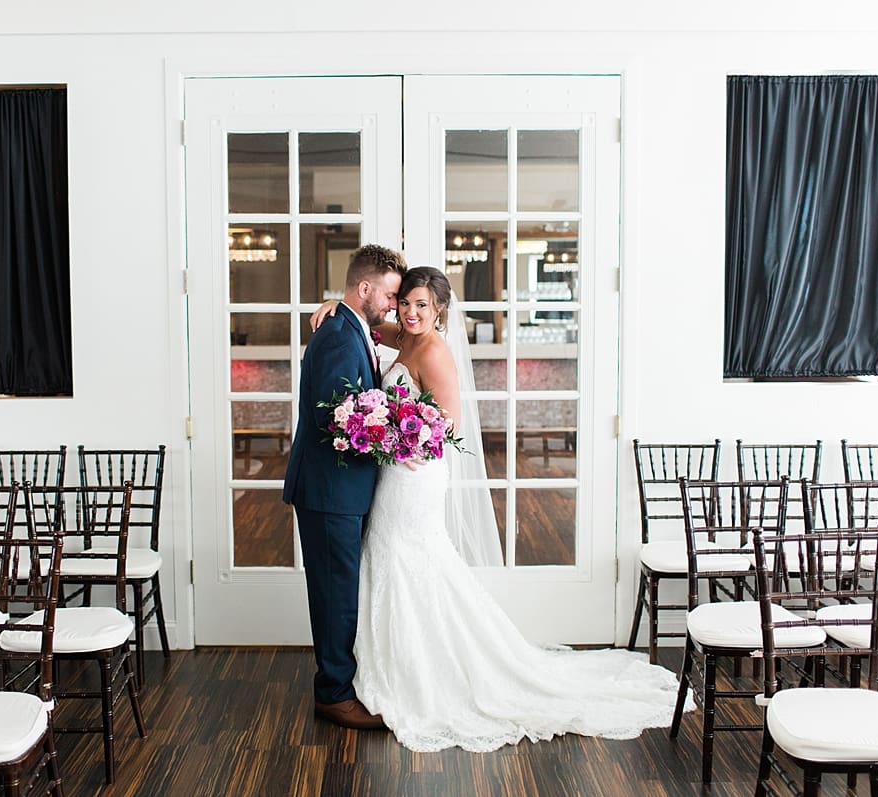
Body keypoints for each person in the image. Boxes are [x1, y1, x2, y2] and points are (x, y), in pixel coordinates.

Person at [310, 266, 690, 752]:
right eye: (404, 302)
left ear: (440, 310)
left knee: (414, 562)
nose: (409, 311)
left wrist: (401, 442)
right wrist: (327, 306)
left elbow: (446, 427)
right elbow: (358, 322)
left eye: (421, 305)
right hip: (391, 476)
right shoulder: (401, 337)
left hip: (414, 477)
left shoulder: (435, 352)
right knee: (387, 561)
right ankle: (388, 668)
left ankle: (432, 676)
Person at [283, 243, 407, 730]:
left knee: (340, 591)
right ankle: (333, 694)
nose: (394, 306)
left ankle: (340, 683)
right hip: (330, 490)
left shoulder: (351, 326)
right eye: (391, 295)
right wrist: (392, 440)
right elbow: (334, 420)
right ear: (365, 288)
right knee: (335, 594)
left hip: (339, 491)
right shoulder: (339, 335)